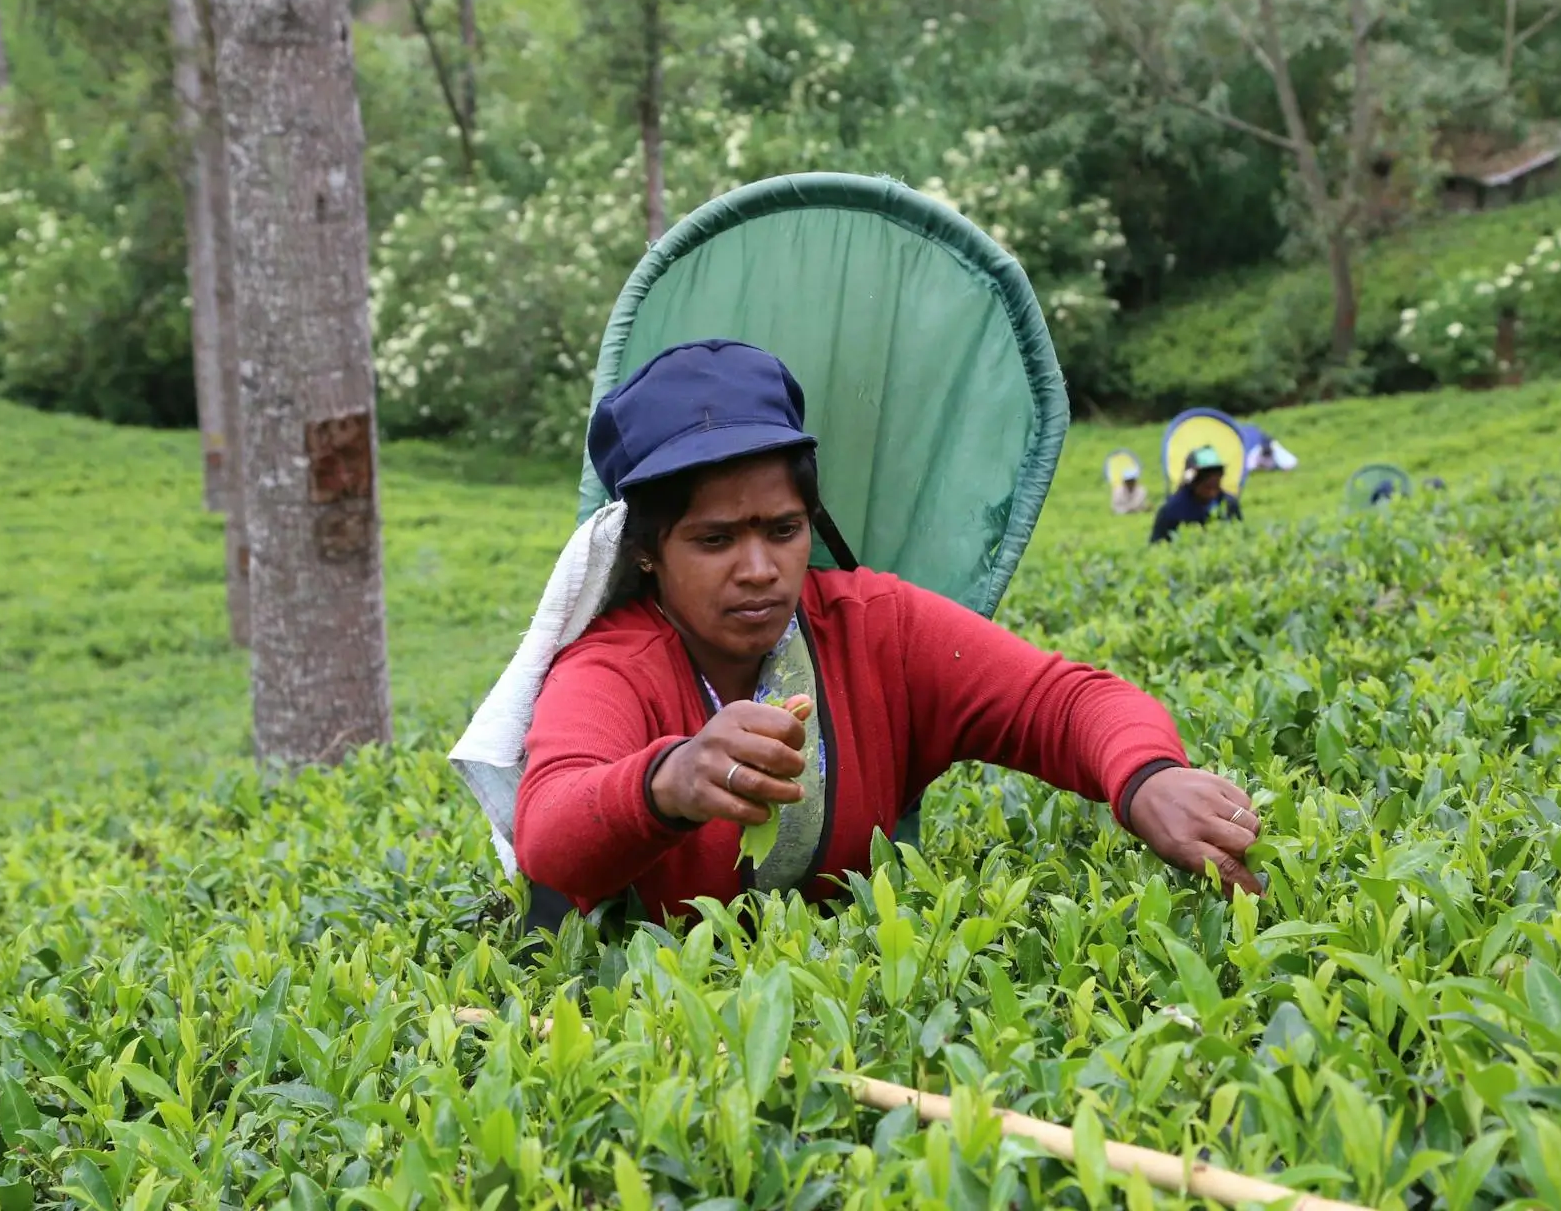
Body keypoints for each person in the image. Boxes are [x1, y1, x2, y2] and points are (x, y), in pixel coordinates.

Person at [514, 340, 1263, 926]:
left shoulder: (876, 629)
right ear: (646, 551)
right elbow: (548, 832)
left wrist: (1146, 780)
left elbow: (1064, 703)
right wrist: (669, 780)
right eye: (713, 540)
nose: (759, 569)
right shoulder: (613, 666)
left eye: (783, 529)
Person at [1149, 446, 1242, 545]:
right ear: (1191, 480)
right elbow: (1156, 546)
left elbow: (1239, 536)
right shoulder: (1171, 510)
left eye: (1217, 473)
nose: (1212, 480)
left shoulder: (1229, 504)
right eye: (1205, 475)